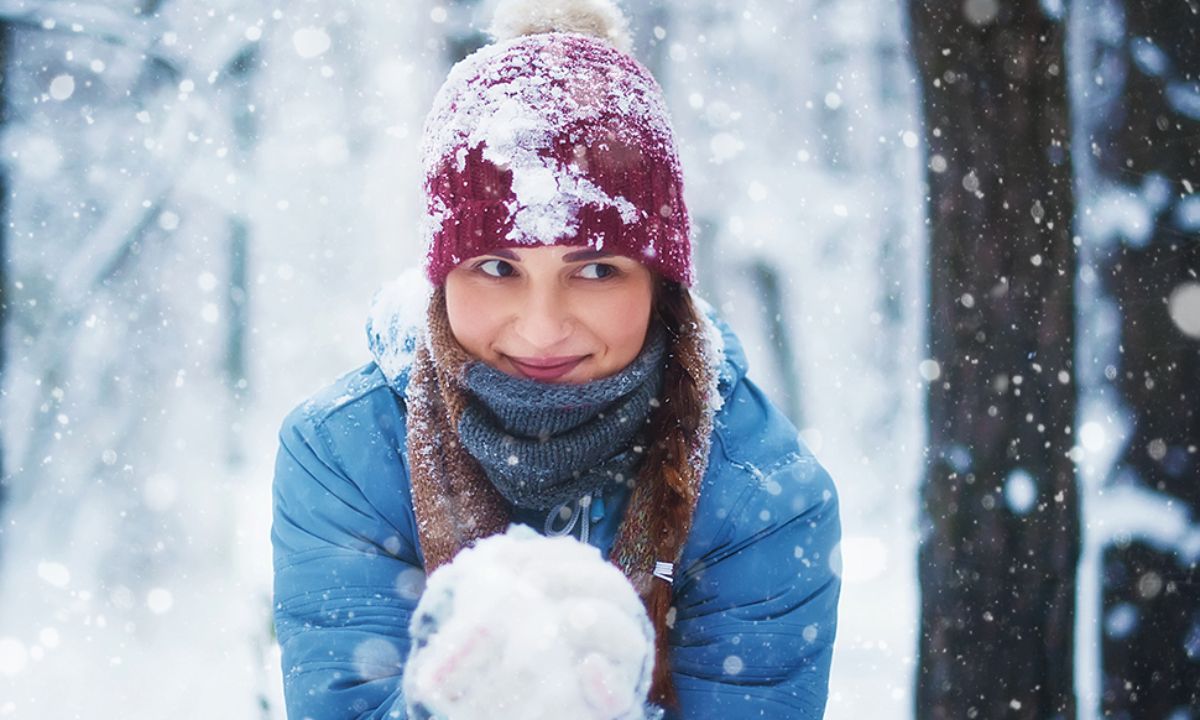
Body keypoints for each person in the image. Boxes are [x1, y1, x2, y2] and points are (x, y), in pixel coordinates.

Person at [271, 1, 841, 717]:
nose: (541, 330)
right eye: (496, 267)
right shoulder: (345, 454)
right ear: (442, 275)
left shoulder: (762, 494)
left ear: (661, 284)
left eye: (597, 270)